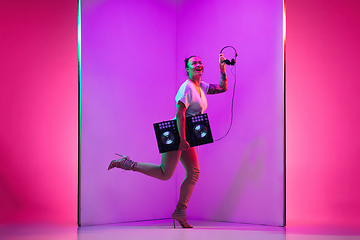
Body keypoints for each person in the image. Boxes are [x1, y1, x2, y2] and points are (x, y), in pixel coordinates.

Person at [108, 54, 228, 228]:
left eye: (200, 62)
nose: (198, 64)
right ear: (187, 68)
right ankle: (127, 163)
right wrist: (182, 140)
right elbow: (180, 114)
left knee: (194, 173)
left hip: (189, 134)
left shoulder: (201, 86)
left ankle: (180, 211)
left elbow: (223, 87)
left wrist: (222, 66)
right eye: (194, 62)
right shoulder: (186, 87)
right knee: (165, 174)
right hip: (177, 132)